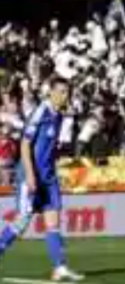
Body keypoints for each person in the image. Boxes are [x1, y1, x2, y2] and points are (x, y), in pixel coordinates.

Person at [0, 79, 84, 282]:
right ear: (51, 93)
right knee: (22, 222)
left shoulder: (59, 115)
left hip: (48, 177)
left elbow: (49, 147)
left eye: (67, 92)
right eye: (61, 91)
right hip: (30, 174)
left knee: (53, 222)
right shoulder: (41, 112)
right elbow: (25, 144)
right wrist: (30, 175)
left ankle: (59, 267)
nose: (65, 95)